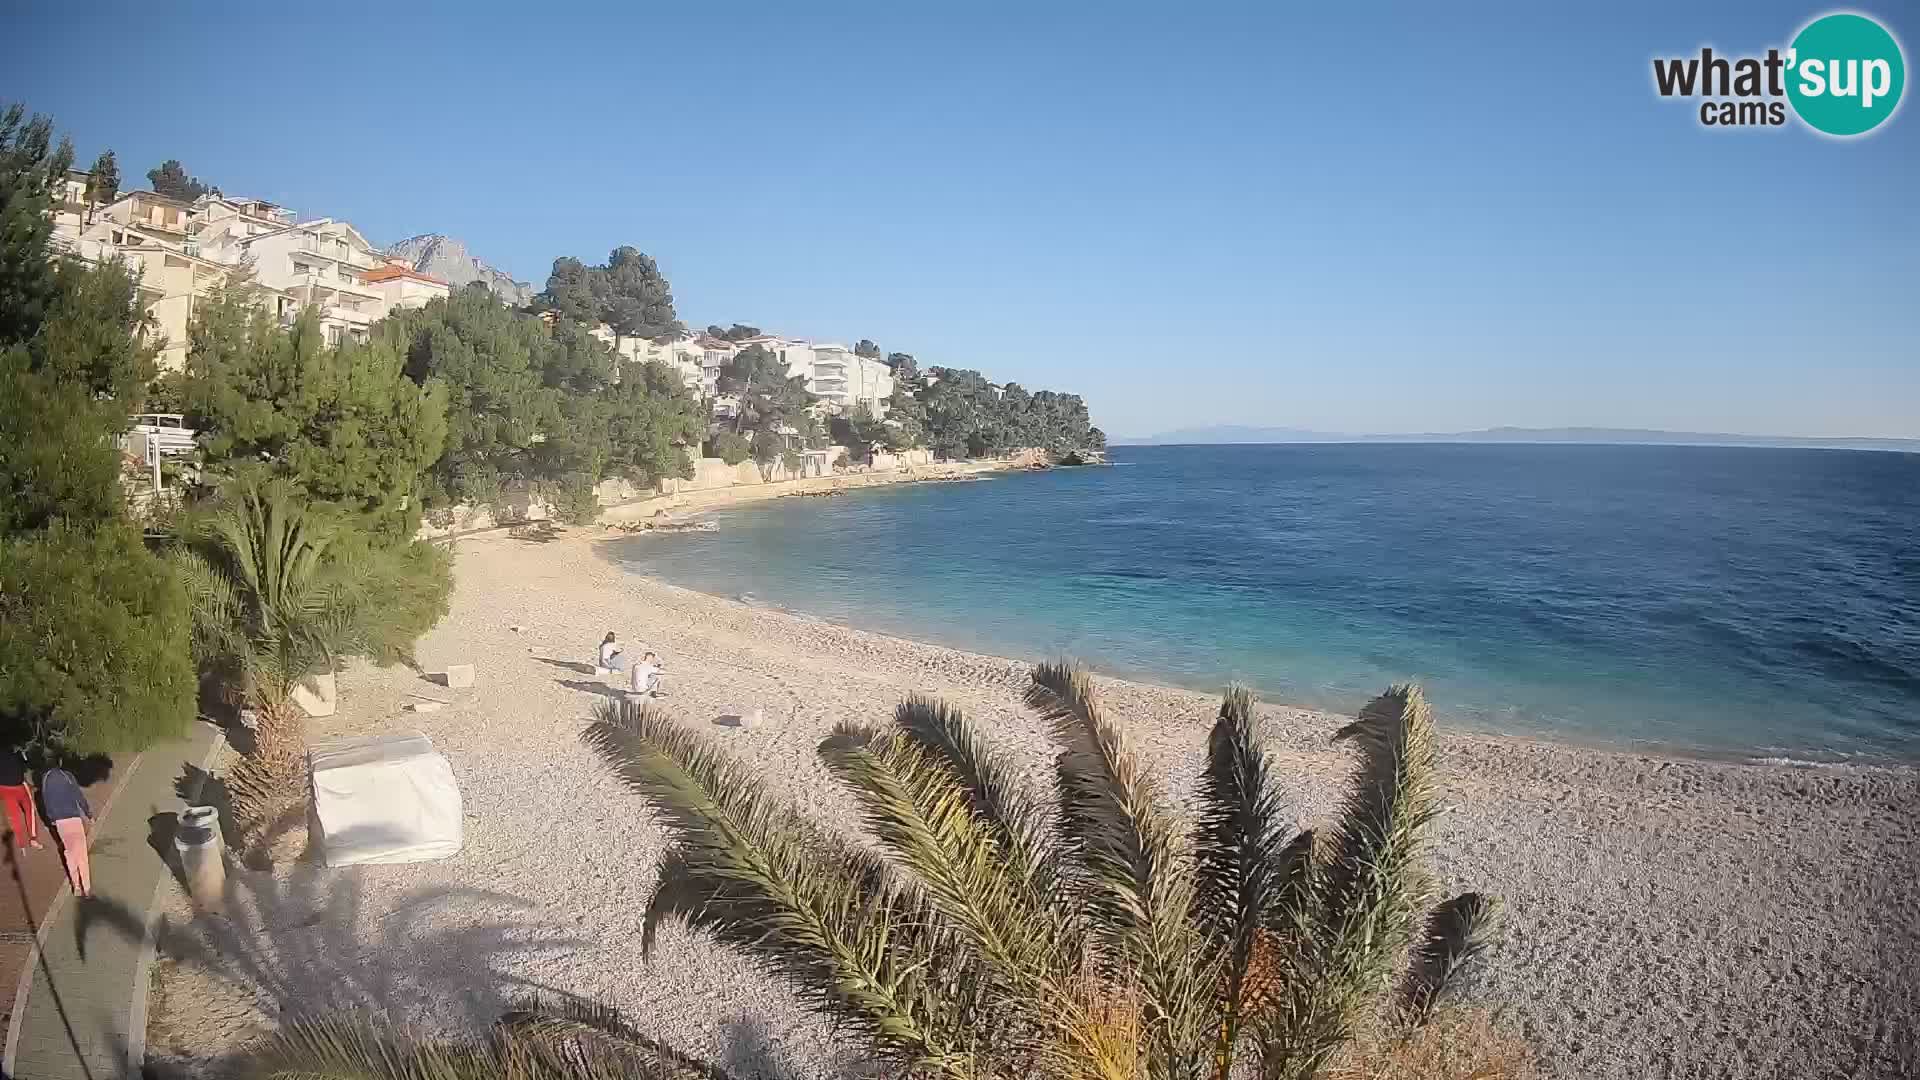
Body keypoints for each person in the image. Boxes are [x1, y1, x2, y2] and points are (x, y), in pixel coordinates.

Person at [39, 764, 92, 898]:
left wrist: (51, 820)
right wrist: (88, 813)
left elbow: (46, 802)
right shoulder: (67, 776)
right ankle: (87, 887)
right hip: (73, 817)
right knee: (82, 855)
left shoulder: (45, 778)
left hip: (60, 822)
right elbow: (78, 796)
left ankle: (76, 886)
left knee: (70, 853)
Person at [0, 749, 41, 853]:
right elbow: (26, 766)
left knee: (14, 816)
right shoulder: (17, 752)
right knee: (29, 810)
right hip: (19, 786)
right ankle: (33, 839)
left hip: (4, 787)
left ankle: (21, 845)